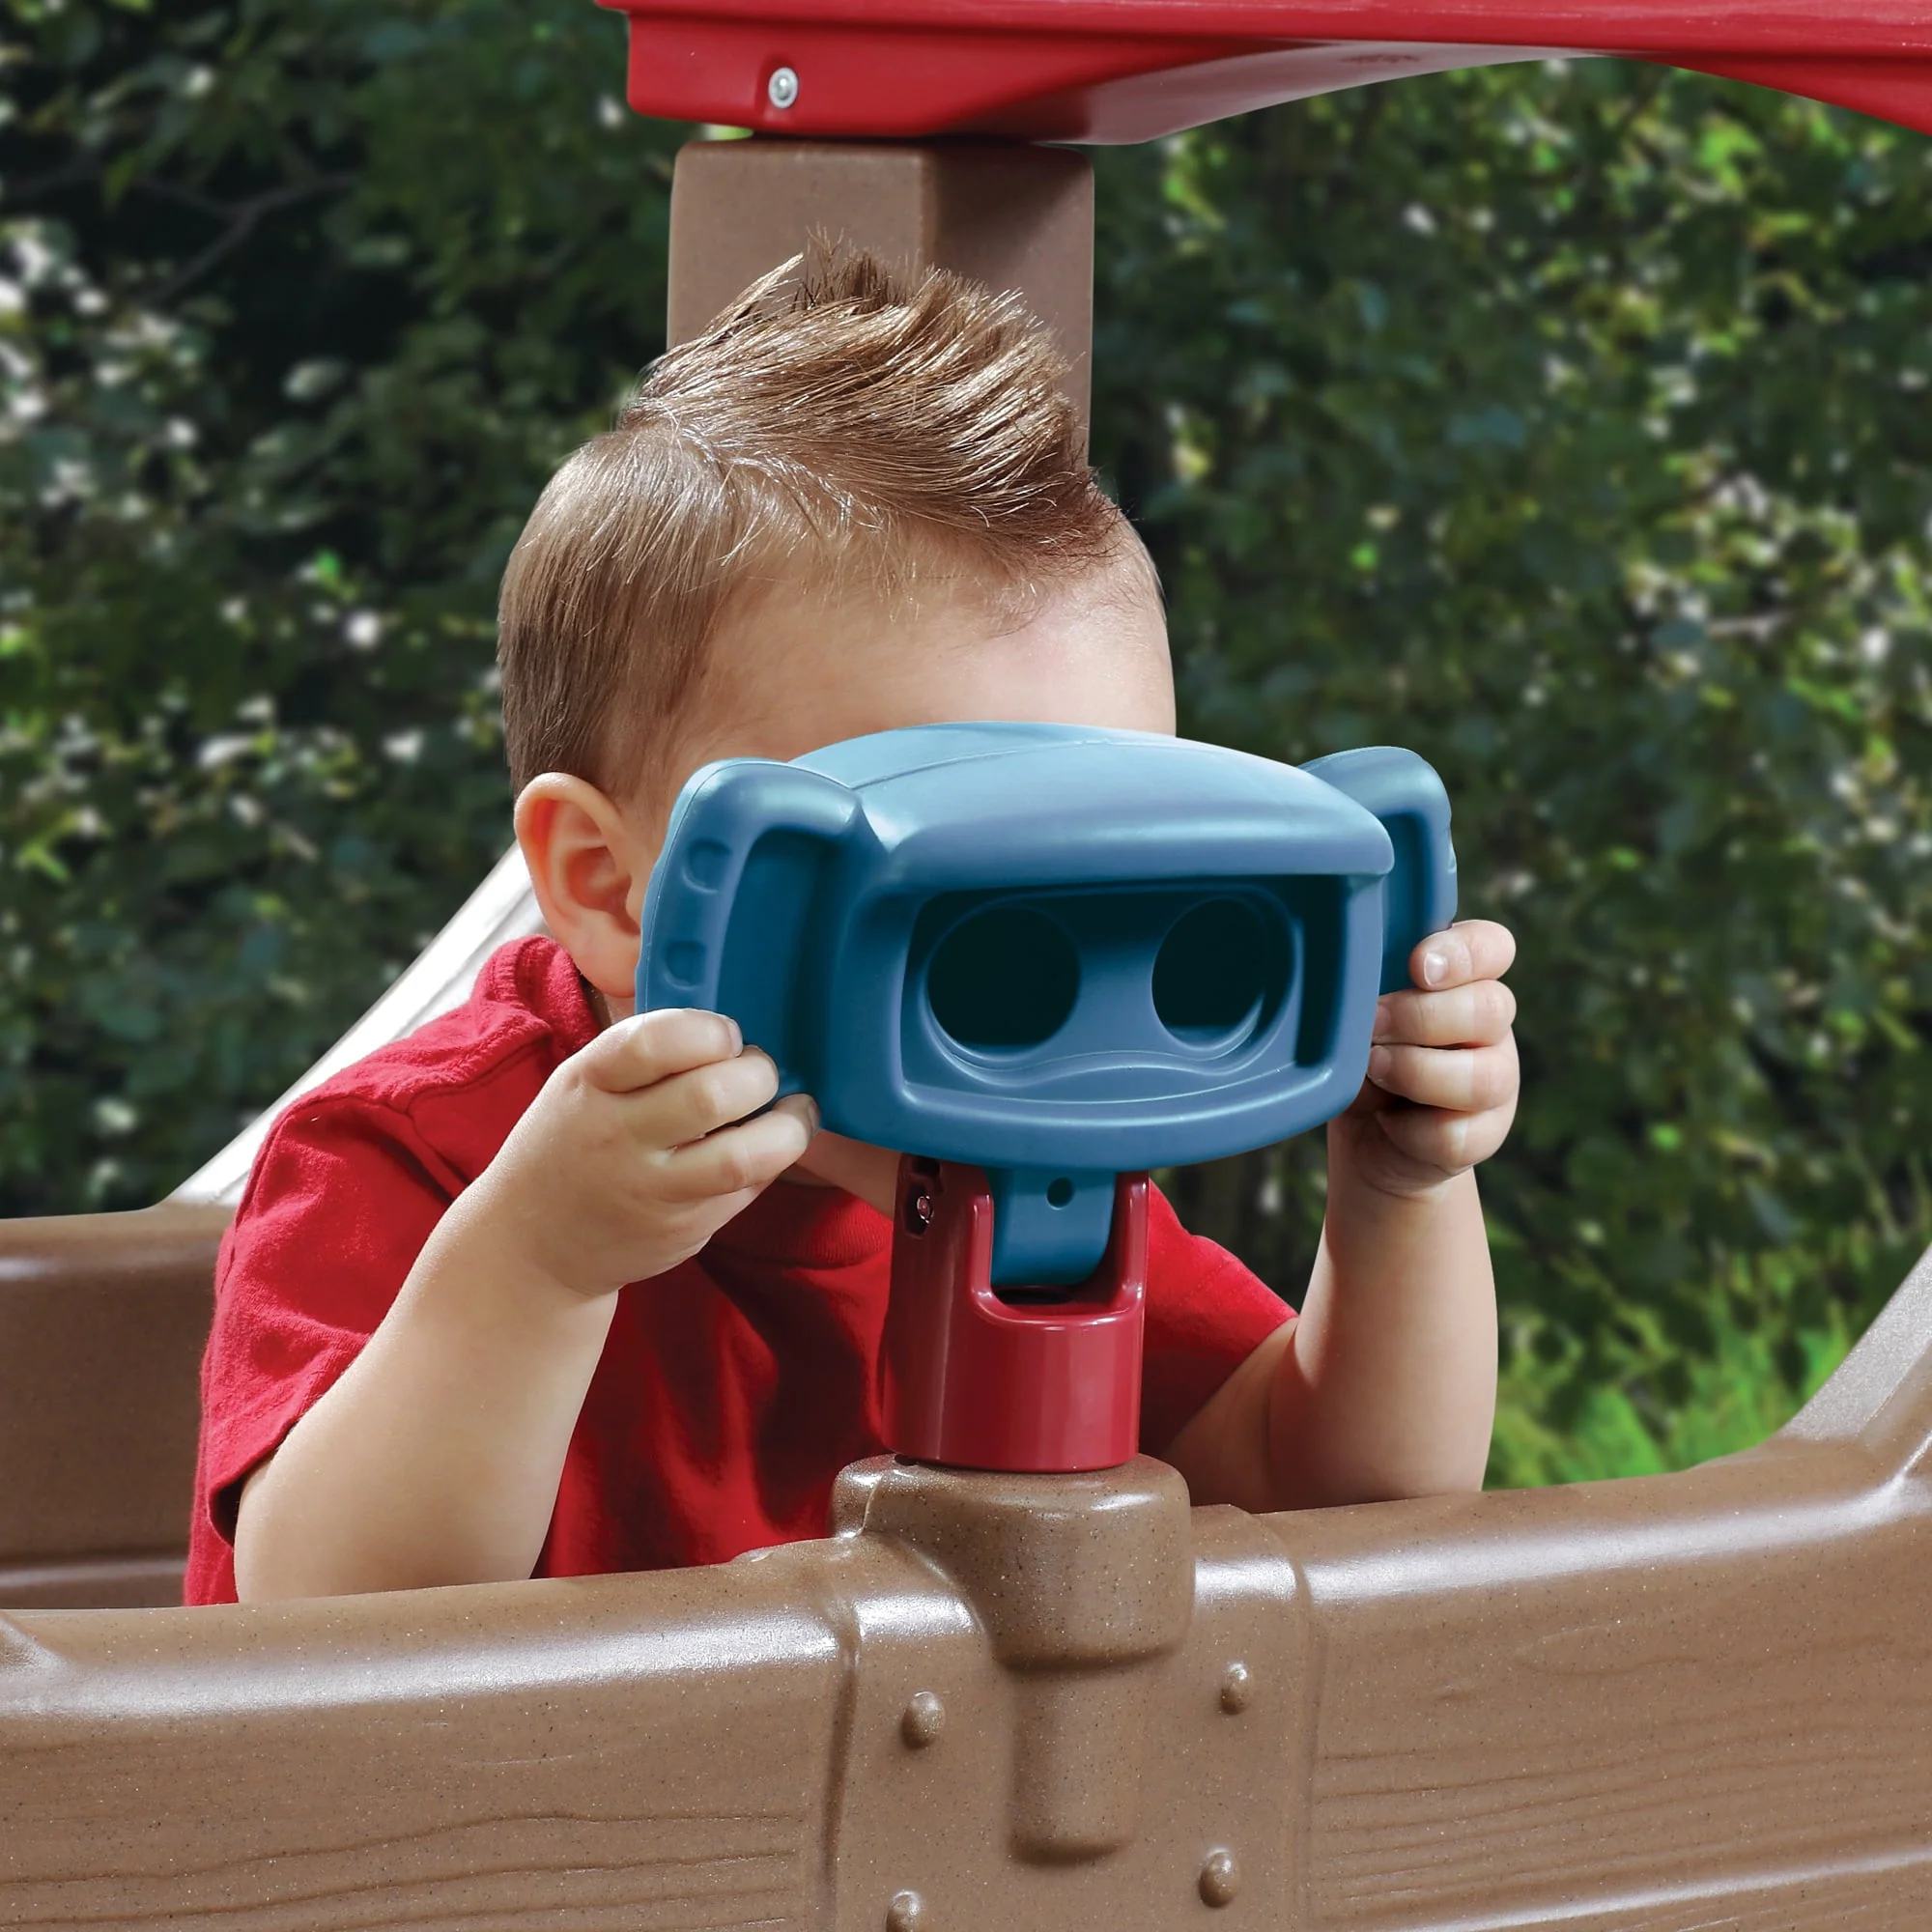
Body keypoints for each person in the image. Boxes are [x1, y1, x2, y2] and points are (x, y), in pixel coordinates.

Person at [186, 252, 1519, 1605]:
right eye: (953, 900)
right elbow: (332, 1625)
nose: (1063, 1002)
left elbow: (1348, 1513)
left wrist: (1399, 1194)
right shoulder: (412, 1157)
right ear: (611, 886)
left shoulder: (1051, 1191)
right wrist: (538, 1265)